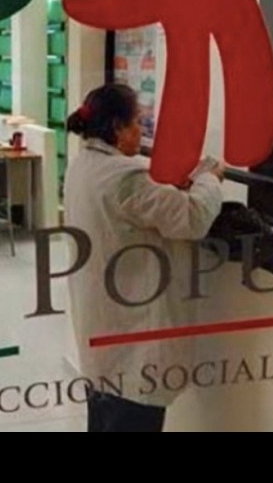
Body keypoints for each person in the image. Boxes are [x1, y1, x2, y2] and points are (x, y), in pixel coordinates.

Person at [64, 83, 224, 433]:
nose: (142, 130)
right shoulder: (124, 177)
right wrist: (208, 179)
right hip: (133, 344)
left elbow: (144, 202)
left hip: (105, 331)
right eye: (137, 121)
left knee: (104, 418)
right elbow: (193, 217)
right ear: (117, 128)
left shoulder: (83, 165)